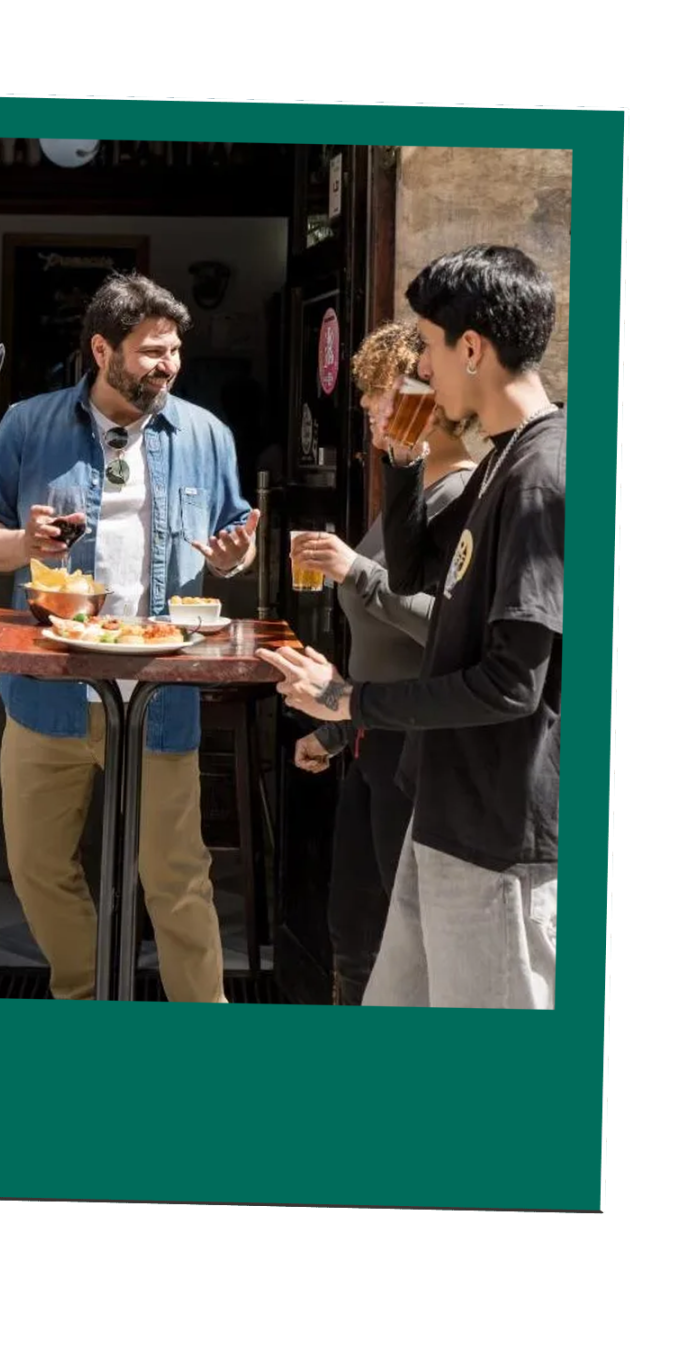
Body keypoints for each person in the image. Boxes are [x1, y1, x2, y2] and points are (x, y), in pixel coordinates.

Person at [259, 244, 564, 1011]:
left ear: (472, 347)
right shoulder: (503, 462)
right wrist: (397, 463)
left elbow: (510, 684)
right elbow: (424, 572)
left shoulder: (539, 476)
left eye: (426, 347)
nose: (419, 372)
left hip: (495, 839)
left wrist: (349, 702)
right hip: (447, 813)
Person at [0, 272, 260, 1002]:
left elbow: (235, 536)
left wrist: (235, 556)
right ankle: (88, 997)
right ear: (102, 349)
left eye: (174, 351)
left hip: (161, 689)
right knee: (35, 865)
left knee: (176, 877)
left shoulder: (205, 434)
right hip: (50, 690)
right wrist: (22, 545)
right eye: (153, 351)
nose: (169, 364)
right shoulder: (30, 424)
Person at [290, 321, 476, 1005]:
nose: (370, 408)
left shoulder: (464, 494)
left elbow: (450, 634)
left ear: (435, 394)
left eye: (384, 392)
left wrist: (355, 570)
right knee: (356, 927)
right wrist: (336, 724)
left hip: (417, 755)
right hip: (374, 743)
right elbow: (388, 642)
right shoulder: (410, 491)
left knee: (402, 946)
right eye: (369, 393)